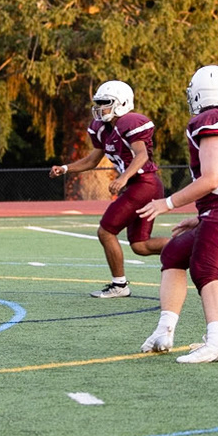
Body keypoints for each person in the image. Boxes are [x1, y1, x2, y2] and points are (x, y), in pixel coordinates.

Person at [136, 65, 218, 364]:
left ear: (199, 94)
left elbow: (211, 178)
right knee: (174, 253)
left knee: (206, 271)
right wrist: (201, 216)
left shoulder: (210, 120)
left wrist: (167, 203)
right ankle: (164, 330)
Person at [49, 80, 162, 297]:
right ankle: (192, 248)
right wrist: (65, 168)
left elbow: (142, 155)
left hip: (144, 184)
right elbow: (92, 160)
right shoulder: (103, 129)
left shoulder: (129, 122)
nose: (100, 108)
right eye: (99, 103)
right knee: (140, 245)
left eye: (105, 103)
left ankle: (119, 285)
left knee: (106, 231)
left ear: (122, 103)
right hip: (139, 185)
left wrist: (123, 177)